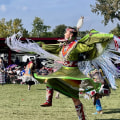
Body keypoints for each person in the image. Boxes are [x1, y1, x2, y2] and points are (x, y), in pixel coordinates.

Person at [6, 18, 120, 120]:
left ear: (70, 34)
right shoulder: (63, 46)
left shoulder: (77, 45)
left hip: (74, 73)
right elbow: (46, 47)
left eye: (66, 32)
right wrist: (29, 46)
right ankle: (49, 100)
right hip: (64, 71)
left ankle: (85, 114)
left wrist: (111, 37)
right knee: (50, 79)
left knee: (75, 98)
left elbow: (91, 41)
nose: (64, 33)